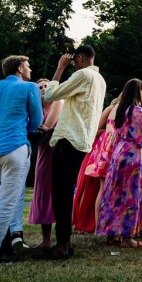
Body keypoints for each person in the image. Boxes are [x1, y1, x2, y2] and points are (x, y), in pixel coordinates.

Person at [40, 44, 107, 260]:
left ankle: (61, 244)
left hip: (69, 138)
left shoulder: (83, 75)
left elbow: (51, 94)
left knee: (61, 192)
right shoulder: (100, 79)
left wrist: (59, 69)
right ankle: (66, 242)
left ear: (80, 58)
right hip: (83, 139)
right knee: (67, 190)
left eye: (73, 60)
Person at [0, 55, 42, 264]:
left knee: (14, 193)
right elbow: (37, 119)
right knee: (6, 201)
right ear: (20, 68)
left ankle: (16, 234)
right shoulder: (29, 87)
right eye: (28, 66)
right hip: (15, 149)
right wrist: (27, 130)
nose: (30, 70)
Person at [96, 78, 142, 247]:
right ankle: (128, 237)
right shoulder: (136, 110)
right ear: (137, 92)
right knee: (130, 195)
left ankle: (112, 234)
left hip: (119, 153)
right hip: (133, 155)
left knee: (115, 194)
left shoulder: (122, 109)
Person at [71, 97, 118, 235]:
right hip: (98, 151)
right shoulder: (111, 109)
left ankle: (98, 223)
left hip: (110, 151)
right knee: (91, 187)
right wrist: (110, 132)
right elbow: (94, 131)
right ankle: (86, 223)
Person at [27, 78, 63, 250]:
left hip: (58, 152)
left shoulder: (59, 105)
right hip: (43, 154)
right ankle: (46, 239)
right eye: (39, 87)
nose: (43, 89)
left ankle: (62, 238)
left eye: (46, 86)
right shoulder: (34, 111)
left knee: (59, 194)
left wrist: (49, 130)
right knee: (43, 193)